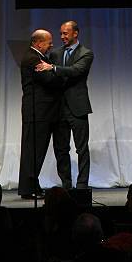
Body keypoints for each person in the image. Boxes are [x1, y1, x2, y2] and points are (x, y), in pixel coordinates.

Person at [36, 21, 94, 190]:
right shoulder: (55, 53)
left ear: (75, 33)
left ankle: (82, 185)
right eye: (61, 33)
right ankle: (67, 185)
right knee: (61, 150)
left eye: (65, 33)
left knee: (81, 149)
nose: (62, 37)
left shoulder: (86, 53)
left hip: (78, 107)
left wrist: (53, 68)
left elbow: (76, 71)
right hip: (59, 109)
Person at [18, 29, 62, 199]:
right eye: (48, 42)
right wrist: (58, 73)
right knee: (33, 151)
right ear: (38, 43)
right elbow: (49, 80)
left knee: (36, 151)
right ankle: (28, 189)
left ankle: (31, 186)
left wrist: (52, 69)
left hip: (42, 113)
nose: (51, 45)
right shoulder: (32, 59)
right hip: (37, 112)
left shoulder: (40, 57)